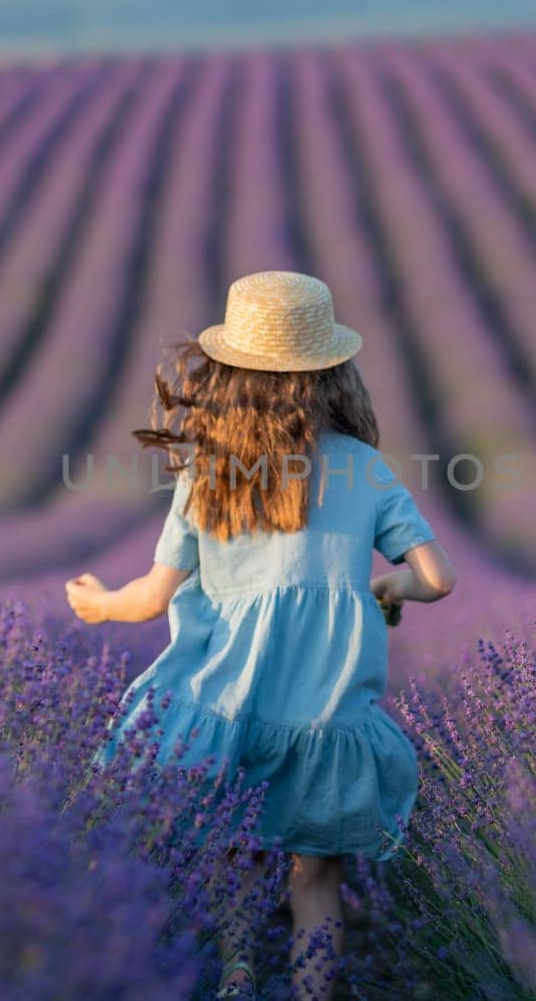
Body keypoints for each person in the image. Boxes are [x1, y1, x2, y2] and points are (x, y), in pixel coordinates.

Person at [65, 270, 457, 1000]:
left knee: (235, 850)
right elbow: (438, 576)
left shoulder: (207, 470)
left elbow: (152, 597)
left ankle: (238, 971)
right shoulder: (367, 469)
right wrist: (391, 587)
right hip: (326, 710)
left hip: (230, 702)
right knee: (317, 875)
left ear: (229, 374)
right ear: (332, 372)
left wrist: (100, 605)